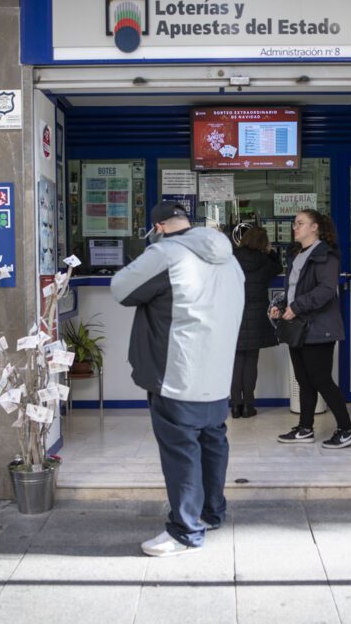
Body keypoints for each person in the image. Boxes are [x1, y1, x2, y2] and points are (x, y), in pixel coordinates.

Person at [110, 201, 244, 557]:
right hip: (217, 372)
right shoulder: (230, 258)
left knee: (181, 447)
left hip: (178, 369)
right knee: (213, 441)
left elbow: (121, 288)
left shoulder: (166, 253)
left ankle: (185, 531)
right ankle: (211, 513)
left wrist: (151, 249)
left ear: (159, 227)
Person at [270, 209, 351, 449]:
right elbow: (293, 289)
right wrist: (281, 305)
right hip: (299, 328)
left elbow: (326, 290)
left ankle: (347, 429)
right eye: (294, 223)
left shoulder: (325, 255)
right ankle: (305, 428)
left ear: (314, 227)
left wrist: (296, 306)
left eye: (300, 223)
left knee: (320, 379)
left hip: (319, 329)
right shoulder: (298, 254)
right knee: (304, 379)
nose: (294, 227)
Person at [230, 226, 281, 418]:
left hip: (234, 313)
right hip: (256, 313)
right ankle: (248, 406)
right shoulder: (265, 262)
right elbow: (279, 268)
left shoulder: (232, 258)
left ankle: (235, 405)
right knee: (251, 361)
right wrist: (271, 253)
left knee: (236, 361)